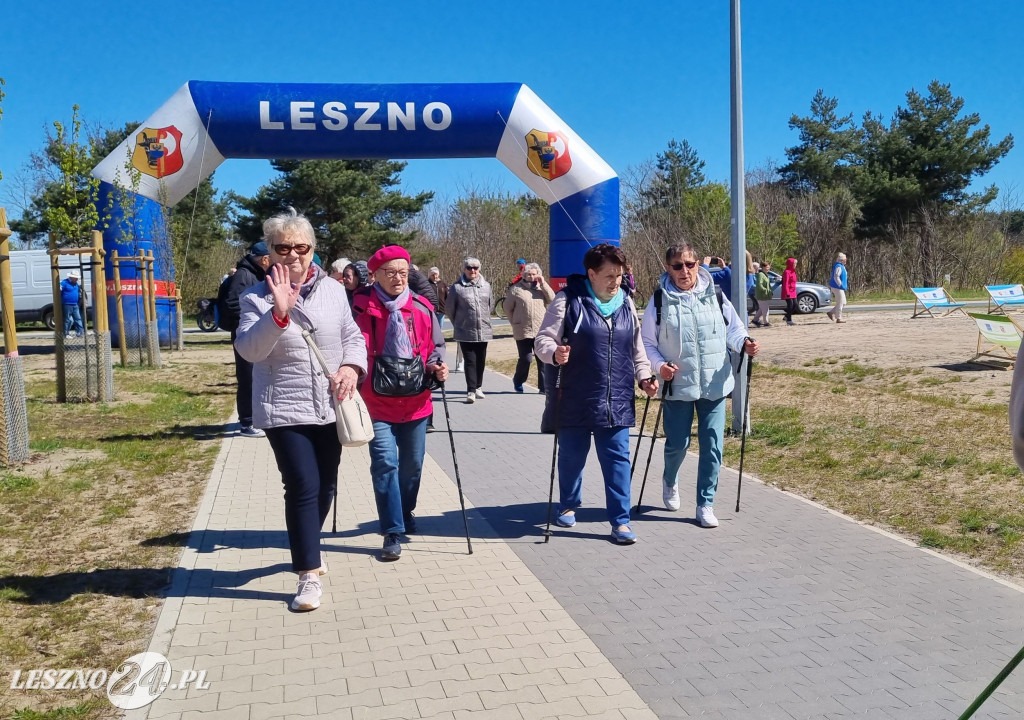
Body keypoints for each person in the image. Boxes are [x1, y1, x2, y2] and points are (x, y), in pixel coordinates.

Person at [235, 208, 367, 612]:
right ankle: (308, 574)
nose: (292, 255)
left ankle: (308, 538)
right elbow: (249, 350)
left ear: (312, 249)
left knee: (325, 486)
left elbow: (352, 336)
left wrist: (351, 367)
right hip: (283, 408)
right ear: (269, 253)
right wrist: (278, 314)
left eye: (301, 247)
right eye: (282, 248)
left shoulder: (333, 290)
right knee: (303, 486)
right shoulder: (254, 297)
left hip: (330, 405)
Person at [534, 243, 658, 545]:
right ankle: (567, 503)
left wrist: (645, 377)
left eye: (620, 275)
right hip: (576, 396)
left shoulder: (626, 303)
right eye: (609, 275)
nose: (616, 281)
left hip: (616, 399)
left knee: (617, 460)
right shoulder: (568, 300)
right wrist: (554, 353)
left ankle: (621, 522)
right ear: (591, 273)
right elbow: (542, 340)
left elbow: (637, 350)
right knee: (572, 458)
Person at [642, 243, 760, 529]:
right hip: (678, 385)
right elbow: (647, 343)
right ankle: (670, 480)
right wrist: (660, 367)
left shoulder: (715, 295)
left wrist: (744, 344)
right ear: (668, 269)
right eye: (677, 266)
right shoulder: (659, 300)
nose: (685, 271)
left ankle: (705, 504)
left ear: (698, 265)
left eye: (690, 264)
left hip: (714, 384)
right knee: (677, 444)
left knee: (713, 446)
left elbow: (734, 329)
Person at [351, 246, 448, 561]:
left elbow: (436, 347)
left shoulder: (421, 307)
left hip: (416, 401)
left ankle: (405, 511)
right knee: (385, 464)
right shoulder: (359, 307)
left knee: (413, 466)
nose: (397, 278)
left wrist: (437, 365)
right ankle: (392, 530)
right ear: (375, 275)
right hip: (374, 402)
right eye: (390, 272)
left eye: (403, 272)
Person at [223, 242, 273, 438]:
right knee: (247, 378)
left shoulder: (253, 274)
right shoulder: (244, 275)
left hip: (253, 333)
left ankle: (252, 418)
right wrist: (252, 318)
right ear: (265, 259)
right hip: (244, 333)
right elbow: (233, 304)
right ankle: (247, 422)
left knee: (254, 376)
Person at [446, 257, 493, 403]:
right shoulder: (457, 287)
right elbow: (450, 309)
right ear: (464, 269)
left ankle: (478, 386)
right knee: (470, 360)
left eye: (475, 268)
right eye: (469, 268)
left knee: (481, 360)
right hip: (465, 331)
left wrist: (485, 319)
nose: (472, 270)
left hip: (483, 330)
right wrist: (460, 322)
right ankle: (470, 390)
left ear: (479, 269)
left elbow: (490, 306)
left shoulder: (486, 286)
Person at [503, 262, 555, 393]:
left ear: (538, 275)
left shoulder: (540, 289)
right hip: (522, 330)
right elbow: (507, 308)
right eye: (528, 274)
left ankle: (543, 387)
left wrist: (543, 284)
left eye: (534, 274)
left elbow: (552, 299)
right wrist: (514, 322)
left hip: (540, 330)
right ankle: (518, 380)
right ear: (523, 275)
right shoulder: (516, 289)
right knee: (526, 358)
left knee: (542, 359)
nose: (531, 276)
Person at [60, 270, 86, 337]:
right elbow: (59, 291)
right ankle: (66, 333)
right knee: (67, 319)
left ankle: (80, 332)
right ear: (71, 277)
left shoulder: (76, 284)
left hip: (75, 304)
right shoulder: (64, 283)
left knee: (78, 318)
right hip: (67, 304)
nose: (77, 279)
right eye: (76, 277)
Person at [827, 252, 848, 324]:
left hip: (839, 287)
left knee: (844, 302)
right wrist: (840, 285)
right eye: (845, 259)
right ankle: (838, 318)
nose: (846, 260)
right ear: (842, 260)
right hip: (837, 287)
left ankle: (831, 312)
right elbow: (836, 276)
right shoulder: (838, 266)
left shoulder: (841, 266)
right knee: (840, 302)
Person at [753, 261, 773, 327]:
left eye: (769, 267)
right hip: (761, 295)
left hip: (764, 295)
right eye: (767, 267)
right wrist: (765, 290)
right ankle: (766, 322)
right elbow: (759, 284)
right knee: (765, 309)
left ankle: (755, 320)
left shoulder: (765, 275)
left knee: (762, 309)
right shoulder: (761, 275)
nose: (768, 269)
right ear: (763, 267)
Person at [782, 257, 798, 326]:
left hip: (793, 291)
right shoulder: (786, 272)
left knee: (795, 305)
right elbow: (785, 283)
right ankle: (789, 320)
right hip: (788, 291)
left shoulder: (793, 271)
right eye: (794, 263)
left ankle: (786, 316)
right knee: (790, 305)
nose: (795, 265)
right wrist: (787, 292)